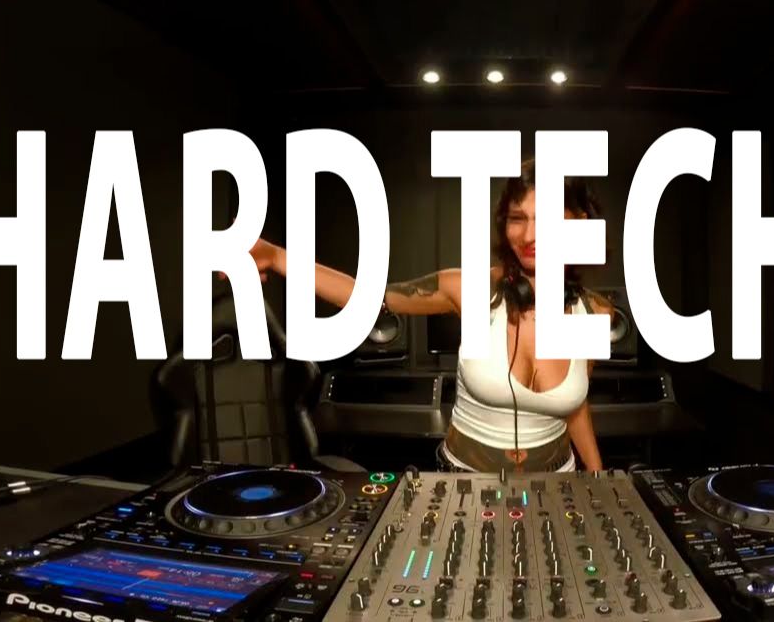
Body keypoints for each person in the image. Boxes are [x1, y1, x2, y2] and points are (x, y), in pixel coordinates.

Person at [245, 160, 612, 472]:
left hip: (557, 480)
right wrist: (276, 257)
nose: (529, 234)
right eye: (518, 218)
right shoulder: (469, 290)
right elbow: (365, 296)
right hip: (465, 479)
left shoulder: (595, 312)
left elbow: (574, 404)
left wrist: (599, 478)